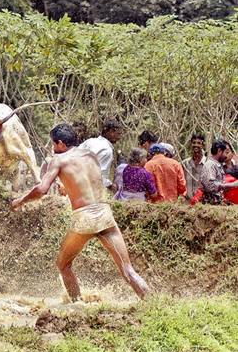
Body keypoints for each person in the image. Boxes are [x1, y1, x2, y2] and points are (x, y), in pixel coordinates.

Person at [11, 123, 149, 302]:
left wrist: (20, 201)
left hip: (84, 218)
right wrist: (68, 189)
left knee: (63, 265)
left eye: (54, 144)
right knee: (127, 269)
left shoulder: (59, 160)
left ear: (60, 143)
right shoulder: (90, 155)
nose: (53, 148)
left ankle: (77, 305)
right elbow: (88, 182)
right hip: (104, 213)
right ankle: (153, 305)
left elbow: (42, 189)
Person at [79, 118, 123, 191]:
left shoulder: (90, 141)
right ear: (111, 132)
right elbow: (100, 176)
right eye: (118, 134)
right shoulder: (107, 150)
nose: (119, 137)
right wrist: (111, 185)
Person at [199, 140, 238, 205]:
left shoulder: (217, 165)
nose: (225, 156)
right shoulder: (210, 165)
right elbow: (210, 186)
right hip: (210, 205)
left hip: (218, 204)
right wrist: (230, 185)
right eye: (225, 152)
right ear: (219, 151)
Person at [182, 133, 206, 200]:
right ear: (191, 144)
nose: (196, 145)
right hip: (186, 203)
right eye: (194, 143)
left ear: (203, 145)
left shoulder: (207, 164)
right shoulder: (185, 163)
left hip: (203, 204)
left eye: (199, 143)